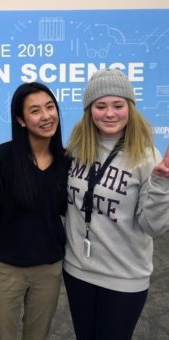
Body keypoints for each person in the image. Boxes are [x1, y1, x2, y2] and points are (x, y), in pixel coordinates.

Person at [63, 68, 169, 340]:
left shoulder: (146, 155)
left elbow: (153, 226)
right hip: (77, 271)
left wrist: (161, 185)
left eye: (118, 105)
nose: (109, 113)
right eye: (101, 106)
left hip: (124, 278)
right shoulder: (76, 148)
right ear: (90, 110)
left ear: (130, 108)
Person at [0, 82, 70, 340]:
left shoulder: (66, 159)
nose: (46, 116)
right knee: (2, 334)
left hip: (48, 267)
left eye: (50, 107)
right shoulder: (2, 157)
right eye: (35, 110)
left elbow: (64, 209)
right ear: (21, 120)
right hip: (7, 267)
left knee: (38, 335)